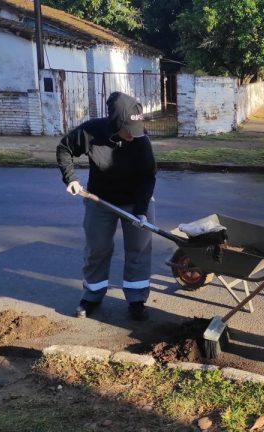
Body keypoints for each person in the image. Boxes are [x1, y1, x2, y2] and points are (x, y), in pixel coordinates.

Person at [57, 92, 157, 321]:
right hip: (99, 200)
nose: (133, 136)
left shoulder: (140, 140)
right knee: (97, 248)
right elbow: (64, 149)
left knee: (139, 250)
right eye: (128, 131)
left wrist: (141, 211)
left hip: (136, 200)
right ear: (115, 124)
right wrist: (70, 178)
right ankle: (91, 296)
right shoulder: (91, 131)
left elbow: (148, 176)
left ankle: (136, 299)